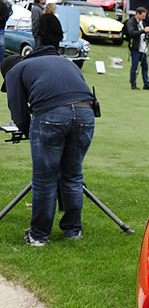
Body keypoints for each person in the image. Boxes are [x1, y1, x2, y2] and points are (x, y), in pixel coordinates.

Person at [2, 50, 96, 246]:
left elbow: (18, 112)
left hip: (51, 115)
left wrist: (31, 133)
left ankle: (38, 236)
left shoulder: (14, 71)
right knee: (73, 176)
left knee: (45, 179)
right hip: (86, 114)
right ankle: (72, 231)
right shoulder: (62, 61)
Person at [124, 7, 149, 90]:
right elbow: (132, 33)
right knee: (135, 66)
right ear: (137, 14)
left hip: (143, 47)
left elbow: (142, 33)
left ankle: (146, 84)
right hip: (135, 48)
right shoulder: (131, 22)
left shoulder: (142, 22)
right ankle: (133, 83)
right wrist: (144, 31)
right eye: (143, 16)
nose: (144, 18)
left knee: (145, 66)